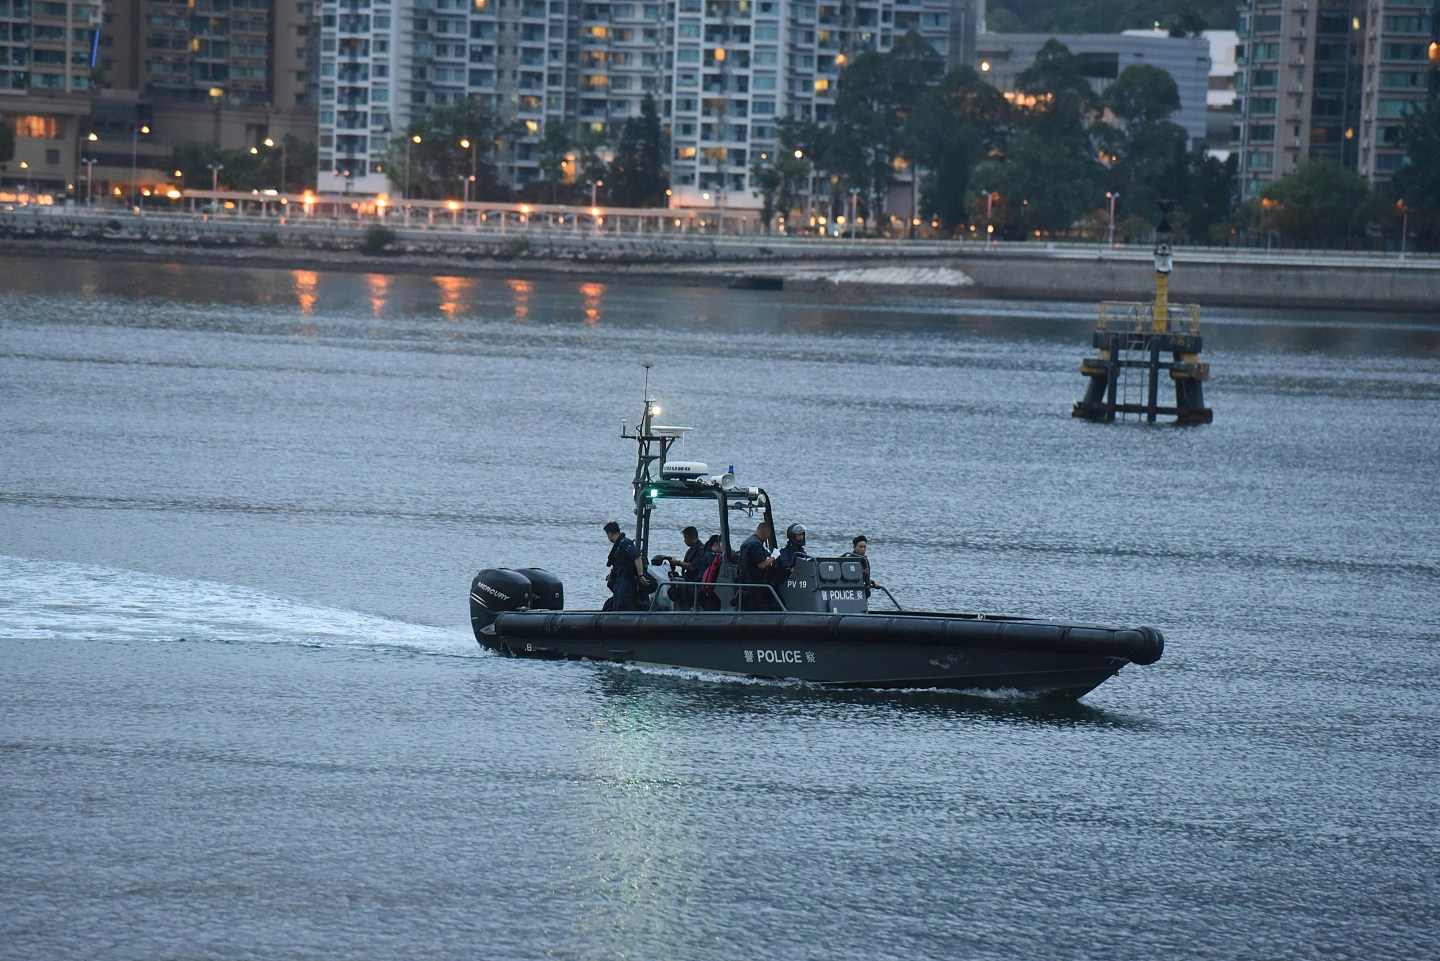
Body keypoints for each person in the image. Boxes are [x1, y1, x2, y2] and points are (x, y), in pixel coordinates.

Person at [658, 526, 706, 609]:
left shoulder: (700, 550)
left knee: (676, 581)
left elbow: (694, 567)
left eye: (685, 538)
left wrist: (678, 563)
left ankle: (683, 607)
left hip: (694, 579)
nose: (684, 541)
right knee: (670, 576)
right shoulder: (691, 549)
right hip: (688, 577)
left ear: (691, 537)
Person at [603, 520, 646, 611]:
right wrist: (612, 574)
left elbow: (637, 557)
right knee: (617, 605)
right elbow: (620, 563)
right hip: (619, 580)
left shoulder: (624, 543)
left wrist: (641, 576)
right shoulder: (619, 545)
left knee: (622, 606)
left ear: (610, 534)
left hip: (626, 580)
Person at [737, 520, 779, 610]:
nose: (768, 537)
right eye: (768, 534)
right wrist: (774, 557)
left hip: (746, 579)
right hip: (753, 582)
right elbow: (762, 565)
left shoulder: (748, 541)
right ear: (764, 533)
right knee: (756, 605)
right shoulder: (756, 545)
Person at [696, 534, 724, 611]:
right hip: (705, 587)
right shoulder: (710, 555)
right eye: (722, 543)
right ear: (715, 544)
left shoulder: (710, 554)